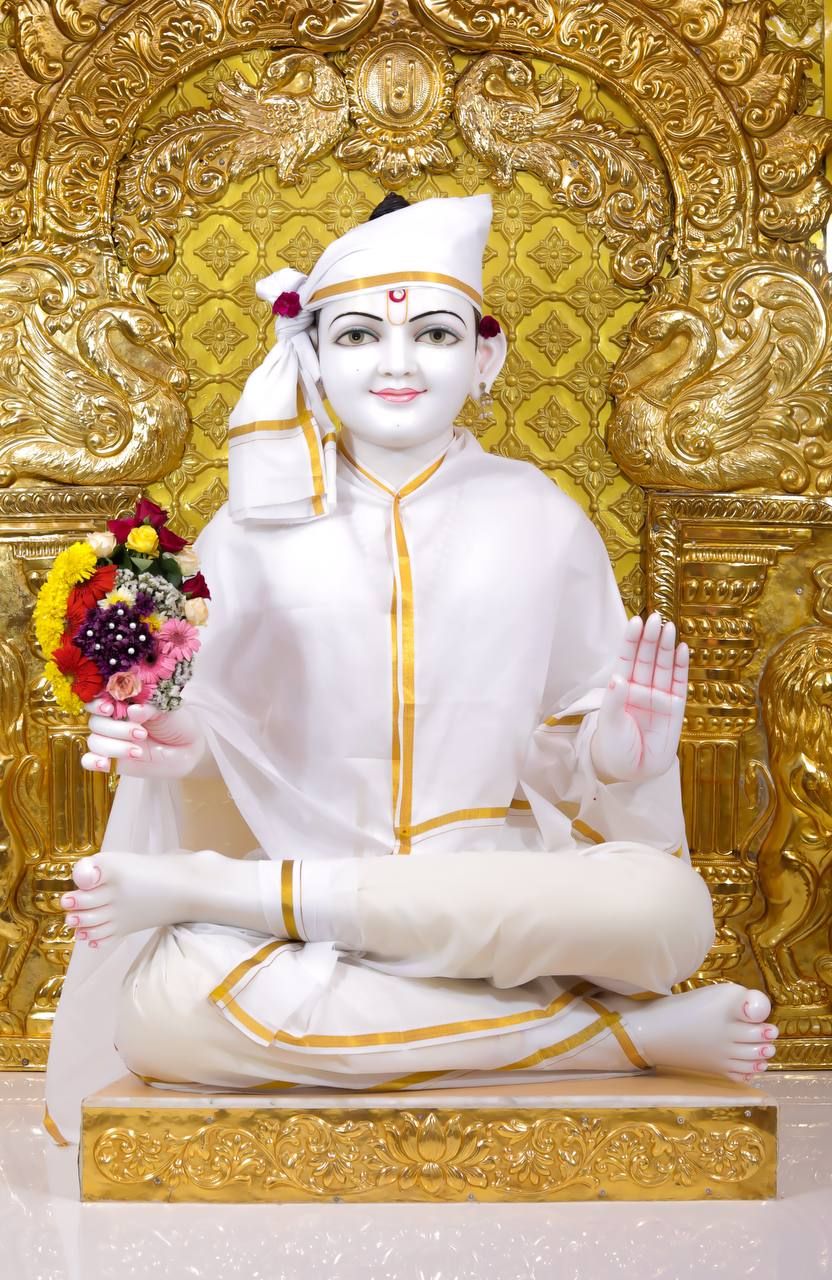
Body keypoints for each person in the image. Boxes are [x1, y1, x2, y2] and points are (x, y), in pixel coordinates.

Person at [44, 194, 778, 1146]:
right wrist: (181, 744)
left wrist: (616, 753)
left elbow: (569, 754)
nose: (395, 364)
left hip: (492, 895)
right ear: (310, 357)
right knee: (165, 1012)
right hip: (302, 908)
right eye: (357, 336)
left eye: (431, 333)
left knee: (666, 911)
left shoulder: (541, 517)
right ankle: (612, 1041)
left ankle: (237, 914)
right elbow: (222, 753)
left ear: (485, 359)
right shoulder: (245, 535)